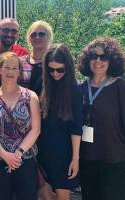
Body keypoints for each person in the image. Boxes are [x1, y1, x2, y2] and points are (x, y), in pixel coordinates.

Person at [78, 37, 125, 200]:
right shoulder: (81, 88)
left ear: (112, 60)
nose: (98, 61)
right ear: (87, 59)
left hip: (116, 159)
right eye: (93, 56)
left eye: (103, 57)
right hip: (87, 159)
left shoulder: (121, 87)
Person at [0, 52, 40, 200]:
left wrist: (18, 153)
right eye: (7, 67)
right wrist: (4, 155)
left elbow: (36, 129)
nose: (10, 72)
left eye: (15, 68)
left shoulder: (30, 96)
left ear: (20, 72)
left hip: (25, 159)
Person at [38, 44, 82, 200]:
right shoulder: (42, 85)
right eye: (51, 70)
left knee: (63, 195)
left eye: (60, 70)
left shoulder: (75, 90)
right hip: (41, 150)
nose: (55, 74)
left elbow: (76, 127)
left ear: (68, 68)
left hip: (64, 153)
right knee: (44, 194)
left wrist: (75, 158)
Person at [18, 20, 53, 95]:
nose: (37, 37)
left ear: (48, 36)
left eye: (41, 34)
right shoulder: (20, 62)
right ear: (29, 38)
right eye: (33, 34)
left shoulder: (54, 62)